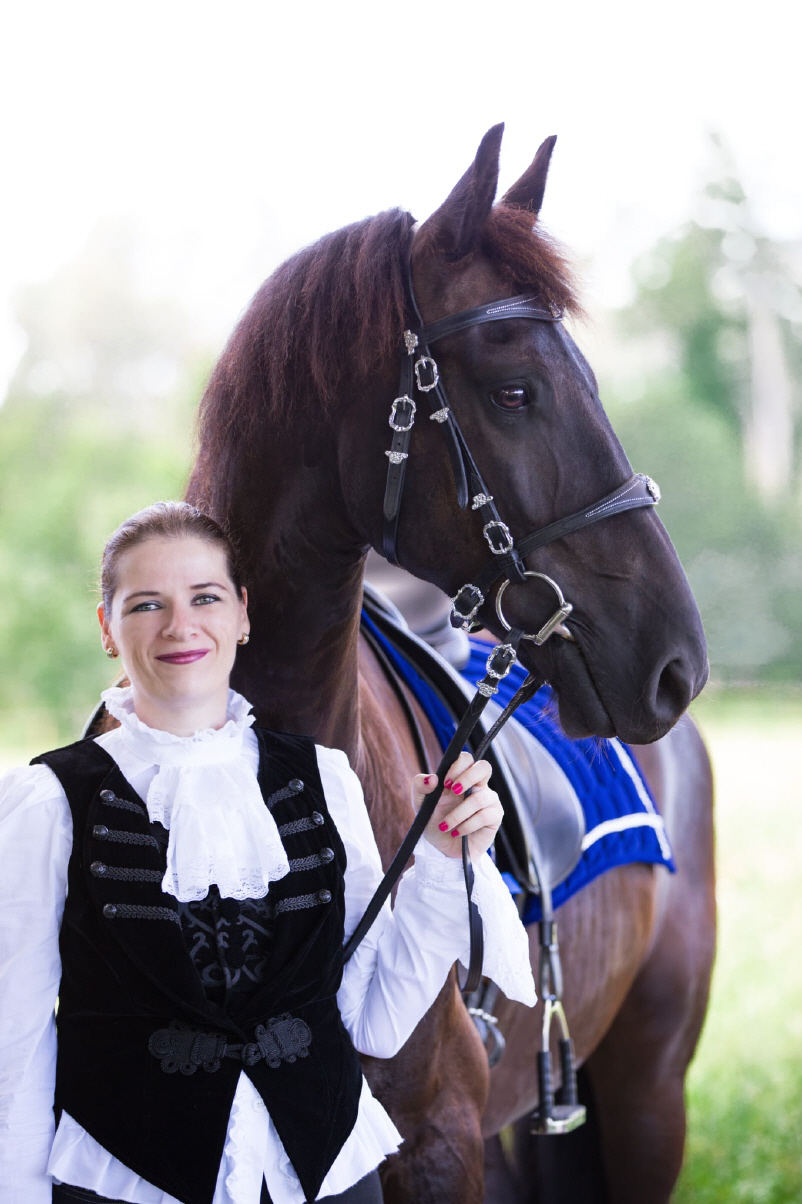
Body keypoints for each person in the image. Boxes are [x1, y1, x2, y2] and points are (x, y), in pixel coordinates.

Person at [0, 502, 535, 1204]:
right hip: (127, 1182)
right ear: (107, 628)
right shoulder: (46, 801)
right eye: (146, 604)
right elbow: (15, 1043)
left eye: (205, 597)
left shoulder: (325, 780)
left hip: (329, 1178)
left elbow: (374, 1019)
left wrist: (440, 857)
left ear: (242, 614)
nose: (180, 626)